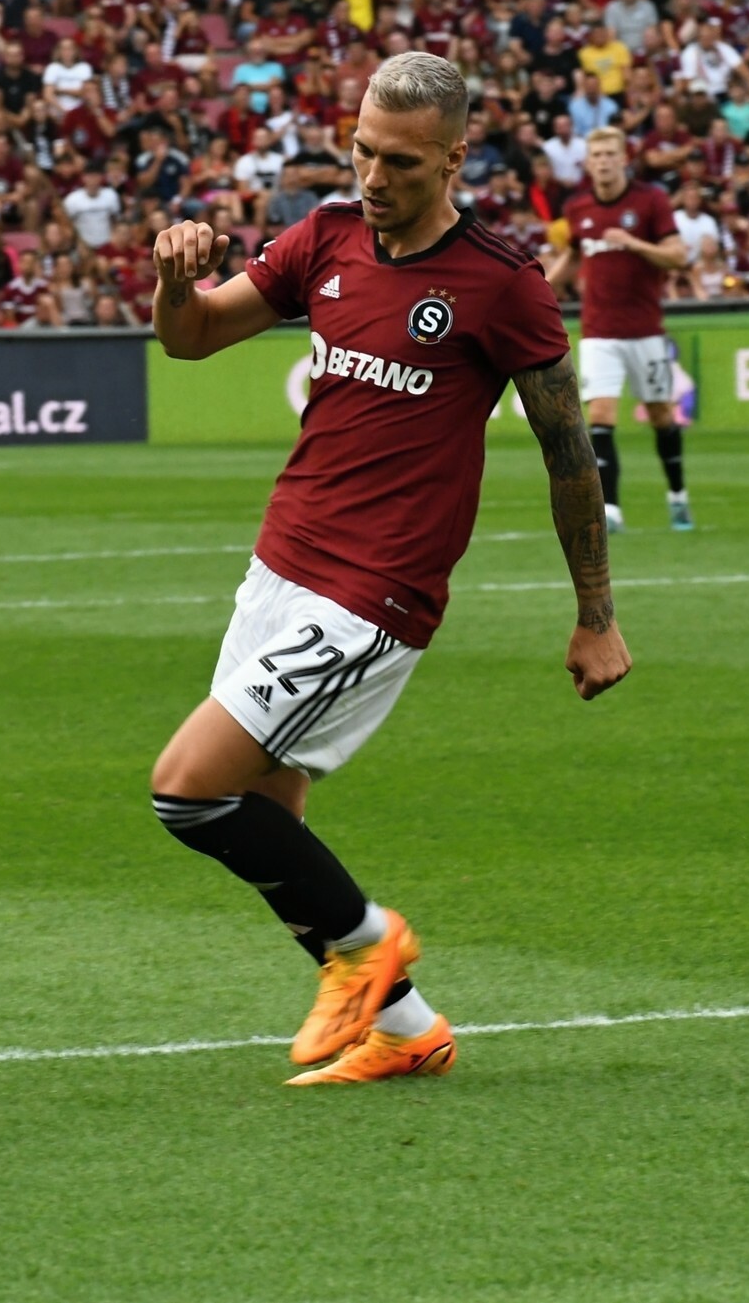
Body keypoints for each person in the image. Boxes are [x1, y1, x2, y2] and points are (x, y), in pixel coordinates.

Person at [147, 53, 628, 1087]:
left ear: (454, 159)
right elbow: (192, 340)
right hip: (279, 566)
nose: (372, 176)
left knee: (185, 794)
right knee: (268, 820)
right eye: (361, 150)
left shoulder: (500, 283)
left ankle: (368, 943)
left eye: (401, 162)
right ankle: (408, 1029)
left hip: (375, 594)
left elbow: (567, 454)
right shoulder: (323, 236)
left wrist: (596, 613)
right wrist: (173, 282)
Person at [548, 127, 693, 533]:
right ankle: (610, 509)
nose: (604, 162)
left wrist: (633, 243)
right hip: (599, 331)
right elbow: (573, 255)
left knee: (661, 415)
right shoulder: (578, 207)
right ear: (588, 163)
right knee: (601, 414)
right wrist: (541, 287)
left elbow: (678, 256)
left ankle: (677, 496)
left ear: (624, 158)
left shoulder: (651, 200)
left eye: (611, 154)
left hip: (645, 331)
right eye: (597, 155)